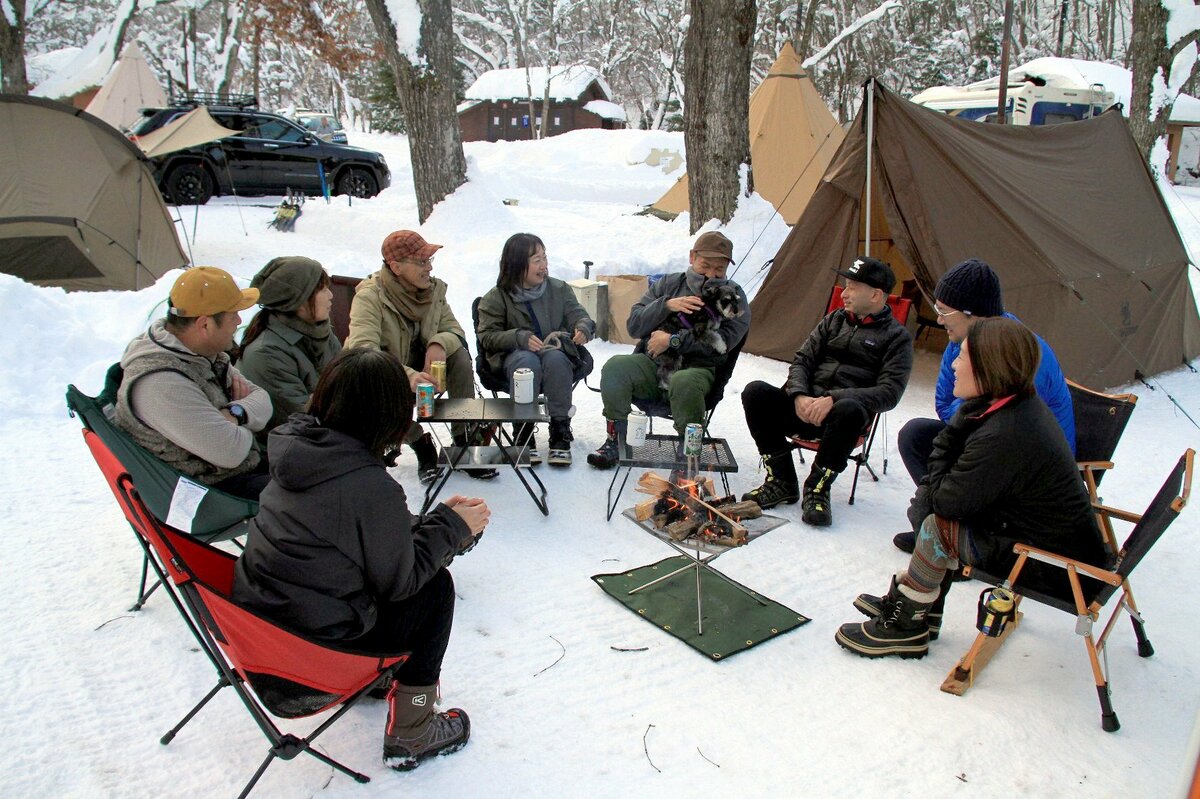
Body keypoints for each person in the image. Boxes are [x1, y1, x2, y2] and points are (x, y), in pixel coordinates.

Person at [232, 348, 490, 770]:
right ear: (387, 414)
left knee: (410, 570)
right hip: (311, 663)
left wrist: (435, 523)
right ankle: (413, 730)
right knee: (434, 589)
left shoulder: (299, 449)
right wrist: (452, 528)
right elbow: (402, 581)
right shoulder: (367, 486)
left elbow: (354, 529)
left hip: (263, 638)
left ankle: (380, 680)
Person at [835, 318, 1107, 659]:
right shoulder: (1009, 405)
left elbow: (947, 502)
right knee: (938, 514)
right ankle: (922, 608)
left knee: (938, 527)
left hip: (1055, 566)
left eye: (961, 357)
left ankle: (908, 625)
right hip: (1039, 540)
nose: (952, 364)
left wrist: (945, 453)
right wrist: (958, 427)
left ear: (986, 368)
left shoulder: (1008, 432)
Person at [893, 258, 1074, 553]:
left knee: (957, 456)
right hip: (991, 436)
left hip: (1027, 463)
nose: (938, 319)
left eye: (943, 311)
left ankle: (970, 539)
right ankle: (940, 529)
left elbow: (1013, 427)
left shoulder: (1018, 352)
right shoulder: (960, 339)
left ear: (970, 313)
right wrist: (969, 417)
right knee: (917, 435)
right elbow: (945, 402)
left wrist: (967, 421)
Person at [740, 257, 913, 526]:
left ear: (876, 294)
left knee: (850, 409)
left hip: (841, 424)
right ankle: (782, 480)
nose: (844, 293)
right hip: (804, 407)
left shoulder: (896, 337)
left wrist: (833, 399)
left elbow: (890, 392)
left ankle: (817, 489)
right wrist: (798, 395)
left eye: (853, 287)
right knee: (755, 393)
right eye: (846, 285)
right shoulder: (834, 320)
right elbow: (802, 360)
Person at [587, 230, 750, 468]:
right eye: (705, 265)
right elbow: (634, 325)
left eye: (719, 270)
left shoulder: (733, 296)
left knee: (683, 380)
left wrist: (673, 340)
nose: (711, 275)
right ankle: (617, 438)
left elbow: (722, 344)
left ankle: (689, 448)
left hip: (699, 371)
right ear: (692, 257)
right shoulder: (669, 284)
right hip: (656, 363)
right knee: (616, 367)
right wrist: (666, 306)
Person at [347, 229, 494, 482]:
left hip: (426, 371)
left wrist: (438, 344)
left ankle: (464, 438)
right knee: (372, 382)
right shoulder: (370, 297)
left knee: (457, 354)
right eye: (421, 262)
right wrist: (408, 375)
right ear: (396, 267)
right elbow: (363, 351)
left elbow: (454, 331)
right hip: (386, 376)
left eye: (429, 261)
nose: (428, 268)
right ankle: (419, 441)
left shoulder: (433, 292)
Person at [115, 266, 273, 500]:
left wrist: (235, 412)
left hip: (236, 470)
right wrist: (246, 421)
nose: (239, 321)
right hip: (206, 493)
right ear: (205, 325)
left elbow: (264, 401)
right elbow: (231, 451)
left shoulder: (202, 353)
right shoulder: (161, 382)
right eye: (233, 316)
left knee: (328, 469)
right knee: (324, 491)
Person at [477, 233, 595, 466]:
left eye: (545, 258)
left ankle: (560, 431)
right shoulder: (496, 297)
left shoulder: (558, 289)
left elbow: (579, 315)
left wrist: (583, 327)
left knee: (556, 360)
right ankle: (524, 433)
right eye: (537, 260)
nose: (544, 266)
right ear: (518, 264)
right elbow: (487, 337)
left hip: (554, 352)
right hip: (513, 358)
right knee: (526, 364)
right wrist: (518, 337)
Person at [236, 256, 340, 441]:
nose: (331, 295)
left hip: (326, 438)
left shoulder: (319, 331)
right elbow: (303, 420)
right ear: (299, 301)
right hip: (289, 452)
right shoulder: (266, 353)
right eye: (323, 290)